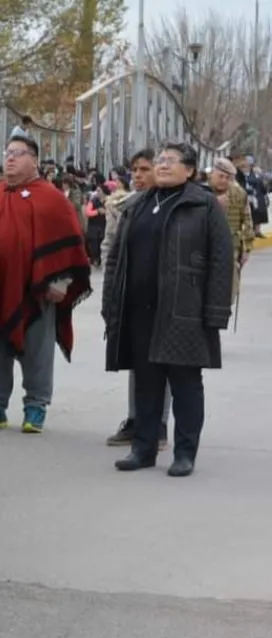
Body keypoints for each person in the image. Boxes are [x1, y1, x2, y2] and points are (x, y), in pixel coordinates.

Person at [102, 143, 234, 477]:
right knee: (147, 383)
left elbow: (221, 261)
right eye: (159, 160)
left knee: (185, 383)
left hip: (183, 311)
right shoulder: (139, 204)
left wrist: (216, 313)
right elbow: (117, 257)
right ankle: (143, 449)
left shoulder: (203, 205)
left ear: (189, 170)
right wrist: (111, 304)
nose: (161, 166)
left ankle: (185, 453)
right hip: (140, 310)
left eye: (169, 161)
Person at [0, 134, 91, 433]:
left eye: (18, 153)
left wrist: (61, 280)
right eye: (8, 153)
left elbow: (71, 243)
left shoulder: (51, 199)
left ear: (34, 159)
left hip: (36, 290)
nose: (10, 158)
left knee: (37, 349)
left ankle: (36, 405)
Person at [102, 148, 172, 448]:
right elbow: (111, 250)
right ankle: (137, 418)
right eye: (135, 170)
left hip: (167, 299)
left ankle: (157, 424)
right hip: (132, 295)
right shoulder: (127, 206)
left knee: (165, 364)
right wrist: (111, 295)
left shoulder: (180, 205)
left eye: (145, 169)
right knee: (136, 361)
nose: (139, 175)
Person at [209, 157, 254, 305]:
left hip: (231, 250)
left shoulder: (239, 194)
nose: (223, 181)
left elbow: (247, 221)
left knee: (229, 291)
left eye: (227, 178)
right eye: (220, 176)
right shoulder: (201, 192)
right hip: (205, 249)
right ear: (212, 175)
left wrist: (247, 249)